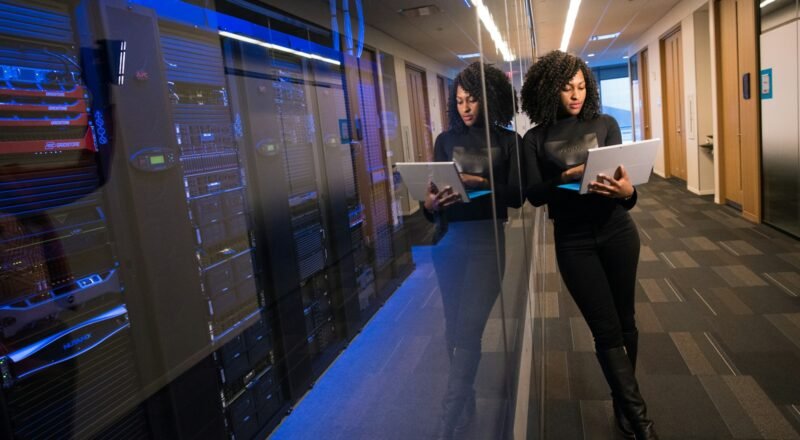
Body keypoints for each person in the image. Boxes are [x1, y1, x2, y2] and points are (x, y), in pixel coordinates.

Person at [520, 50, 658, 440]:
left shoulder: (606, 123)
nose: (576, 95)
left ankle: (623, 405)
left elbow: (625, 196)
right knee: (605, 328)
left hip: (617, 231)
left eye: (581, 87)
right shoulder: (535, 138)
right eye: (567, 88)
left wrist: (628, 191)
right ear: (549, 91)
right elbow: (533, 194)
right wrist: (571, 174)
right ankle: (642, 422)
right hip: (574, 241)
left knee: (626, 320)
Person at [422, 62, 522, 440]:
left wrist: (484, 181)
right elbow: (430, 207)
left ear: (489, 97)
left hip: (487, 242)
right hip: (449, 242)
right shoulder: (445, 141)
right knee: (454, 329)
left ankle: (448, 416)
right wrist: (430, 205)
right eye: (459, 100)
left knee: (469, 327)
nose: (465, 107)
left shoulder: (507, 141)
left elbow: (517, 197)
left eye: (472, 99)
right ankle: (464, 401)